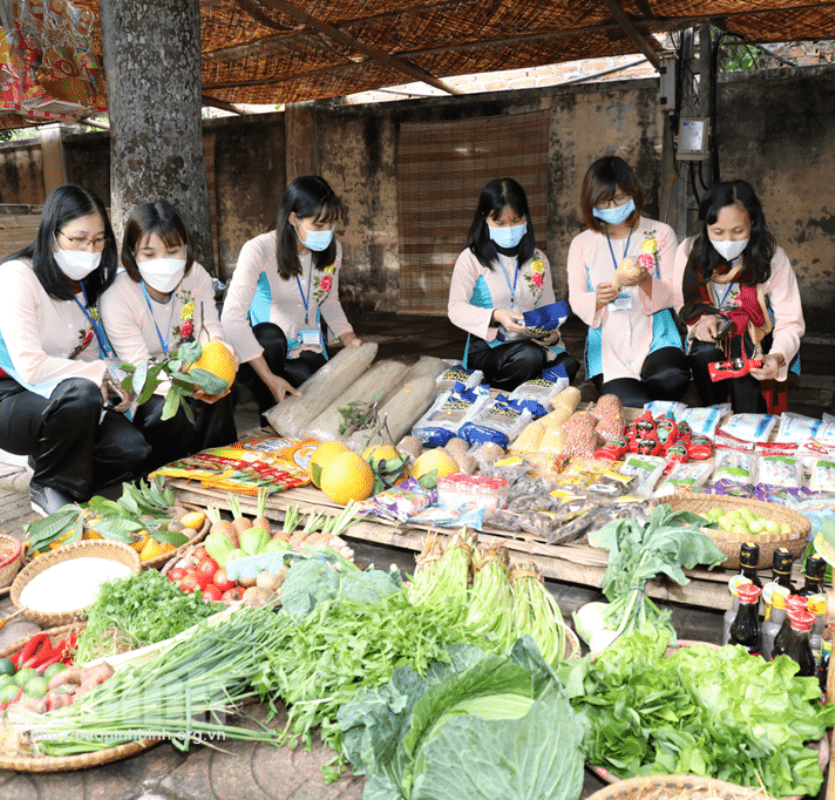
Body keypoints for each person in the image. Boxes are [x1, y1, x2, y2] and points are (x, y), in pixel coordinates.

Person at [0, 185, 151, 516]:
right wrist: (99, 377)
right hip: (12, 397)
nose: (90, 249)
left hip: (71, 399)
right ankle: (49, 486)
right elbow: (30, 367)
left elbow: (92, 355)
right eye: (78, 239)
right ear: (52, 234)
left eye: (99, 240)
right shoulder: (16, 277)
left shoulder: (87, 284)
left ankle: (53, 463)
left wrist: (115, 381)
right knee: (81, 392)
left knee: (133, 451)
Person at [100, 200, 238, 471]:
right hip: (142, 388)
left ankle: (216, 470)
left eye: (172, 251)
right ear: (132, 253)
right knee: (172, 412)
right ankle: (162, 475)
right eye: (149, 254)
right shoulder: (117, 296)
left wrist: (220, 361)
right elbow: (141, 371)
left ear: (186, 249)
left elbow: (208, 330)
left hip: (186, 371)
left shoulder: (196, 276)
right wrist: (192, 386)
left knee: (219, 390)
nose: (162, 263)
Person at [221, 175, 363, 417]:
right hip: (265, 352)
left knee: (311, 389)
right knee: (270, 336)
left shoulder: (332, 250)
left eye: (331, 224)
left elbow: (329, 301)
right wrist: (268, 376)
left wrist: (349, 338)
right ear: (293, 218)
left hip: (308, 346)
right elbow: (231, 318)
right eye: (319, 225)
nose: (327, 232)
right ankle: (268, 408)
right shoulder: (259, 250)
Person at [567, 155, 689, 407]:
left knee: (671, 379)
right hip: (608, 342)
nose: (613, 208)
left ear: (633, 194)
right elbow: (576, 298)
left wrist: (645, 281)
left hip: (656, 333)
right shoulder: (582, 244)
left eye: (620, 198)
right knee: (630, 405)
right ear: (592, 203)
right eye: (604, 201)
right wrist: (596, 299)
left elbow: (675, 293)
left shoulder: (660, 234)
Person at [674, 180, 804, 413]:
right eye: (718, 232)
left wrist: (777, 356)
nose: (728, 241)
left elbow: (790, 320)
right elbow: (681, 303)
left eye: (738, 231)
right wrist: (699, 322)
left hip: (757, 333)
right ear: (705, 226)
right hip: (710, 334)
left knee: (746, 358)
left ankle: (749, 421)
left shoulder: (771, 257)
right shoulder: (689, 252)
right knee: (705, 352)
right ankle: (714, 414)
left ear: (753, 224)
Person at [447, 178, 579, 391]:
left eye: (516, 220)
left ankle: (527, 387)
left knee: (567, 365)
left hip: (530, 345)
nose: (509, 228)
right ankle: (504, 388)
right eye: (500, 222)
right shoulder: (471, 258)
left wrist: (552, 336)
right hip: (489, 350)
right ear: (485, 219)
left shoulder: (538, 259)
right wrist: (496, 315)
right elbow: (455, 309)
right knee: (529, 358)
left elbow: (548, 313)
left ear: (525, 217)